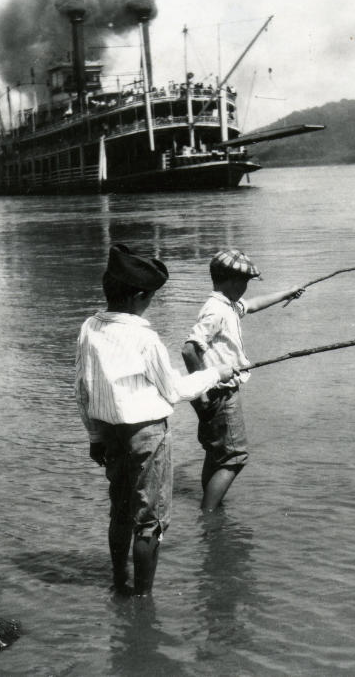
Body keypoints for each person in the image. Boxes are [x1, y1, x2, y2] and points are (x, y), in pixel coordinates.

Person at [75, 244, 235, 595]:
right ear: (138, 296)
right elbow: (173, 390)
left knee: (119, 510)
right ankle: (143, 603)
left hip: (110, 434)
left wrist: (94, 438)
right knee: (149, 521)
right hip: (148, 435)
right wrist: (216, 373)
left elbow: (82, 391)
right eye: (150, 297)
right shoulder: (145, 337)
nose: (151, 303)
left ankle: (120, 584)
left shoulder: (89, 327)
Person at [181, 249, 303, 512]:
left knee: (217, 454)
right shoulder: (216, 310)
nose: (246, 287)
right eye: (245, 281)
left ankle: (212, 509)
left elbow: (254, 304)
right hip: (220, 394)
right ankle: (210, 514)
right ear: (231, 281)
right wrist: (201, 392)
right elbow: (189, 349)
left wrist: (287, 293)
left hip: (214, 393)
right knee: (235, 458)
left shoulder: (229, 305)